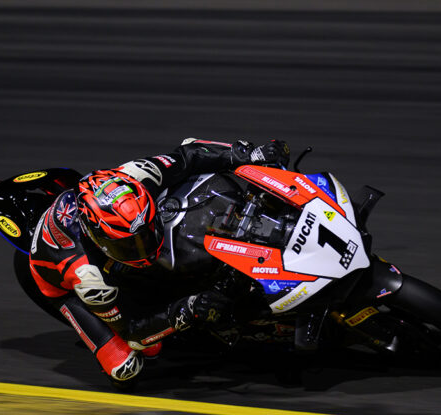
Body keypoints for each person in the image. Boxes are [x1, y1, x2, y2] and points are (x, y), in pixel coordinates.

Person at [29, 138, 290, 387]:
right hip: (56, 281)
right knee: (128, 366)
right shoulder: (90, 277)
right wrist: (187, 308)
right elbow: (133, 331)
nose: (144, 247)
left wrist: (247, 155)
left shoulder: (135, 176)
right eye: (130, 245)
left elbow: (188, 155)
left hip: (96, 209)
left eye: (146, 234)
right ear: (100, 241)